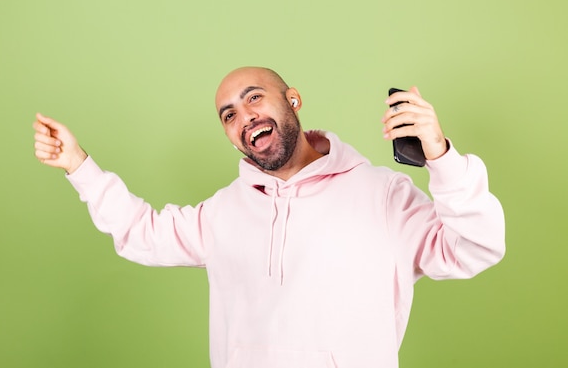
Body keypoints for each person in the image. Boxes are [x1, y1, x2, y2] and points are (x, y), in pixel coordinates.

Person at [33, 67, 505, 368]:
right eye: (229, 114)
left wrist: (441, 157)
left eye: (254, 97)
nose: (244, 116)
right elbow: (142, 234)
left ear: (292, 99)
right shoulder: (225, 210)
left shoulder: (382, 194)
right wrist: (79, 165)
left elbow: (476, 247)